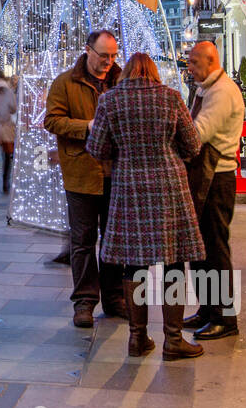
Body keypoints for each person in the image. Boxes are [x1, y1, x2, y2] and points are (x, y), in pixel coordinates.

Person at [86, 53, 205, 359]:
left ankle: (137, 338)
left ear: (126, 72)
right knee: (174, 261)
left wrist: (122, 149)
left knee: (133, 264)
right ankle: (174, 339)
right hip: (169, 187)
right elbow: (192, 145)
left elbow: (97, 148)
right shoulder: (171, 97)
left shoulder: (109, 101)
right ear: (153, 72)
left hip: (128, 187)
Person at [43, 29, 126, 327]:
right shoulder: (65, 82)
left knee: (115, 241)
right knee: (82, 241)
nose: (108, 61)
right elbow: (51, 120)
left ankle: (115, 298)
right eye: (103, 55)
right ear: (88, 50)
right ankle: (84, 302)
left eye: (113, 56)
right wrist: (87, 126)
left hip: (116, 174)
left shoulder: (122, 80)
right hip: (81, 174)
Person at [183, 40, 246, 341]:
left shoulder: (222, 92)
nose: (189, 67)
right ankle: (207, 309)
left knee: (215, 248)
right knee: (201, 248)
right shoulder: (206, 88)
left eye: (194, 62)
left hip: (217, 179)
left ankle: (225, 316)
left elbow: (197, 133)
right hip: (203, 176)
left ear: (210, 61)